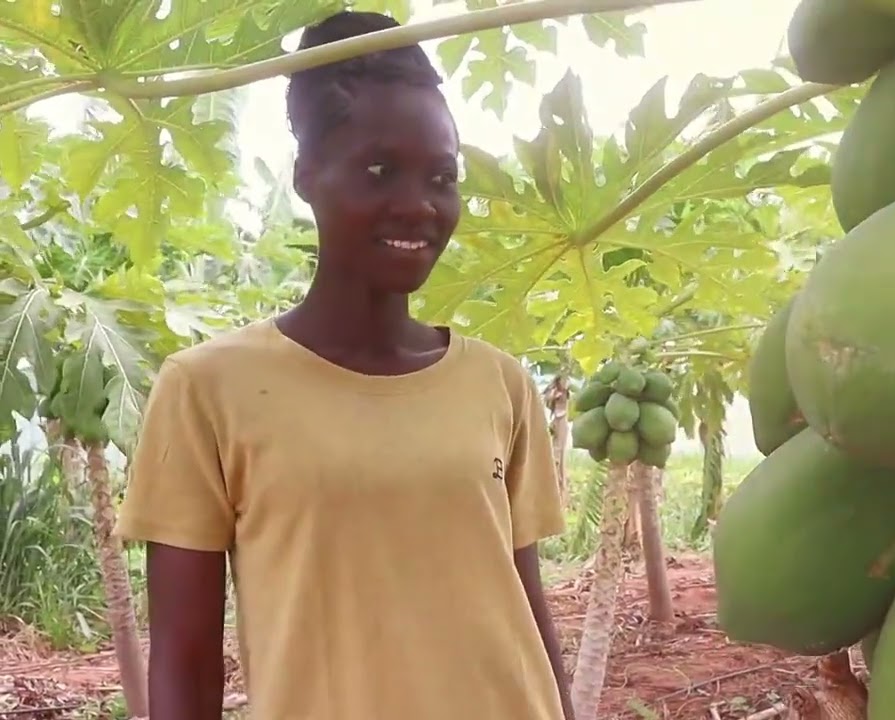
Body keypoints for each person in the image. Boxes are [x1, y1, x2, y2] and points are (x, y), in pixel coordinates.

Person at [116, 10, 575, 720]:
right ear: (307, 177)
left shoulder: (500, 384)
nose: (418, 204)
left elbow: (526, 611)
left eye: (442, 176)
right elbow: (184, 657)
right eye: (380, 169)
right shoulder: (207, 388)